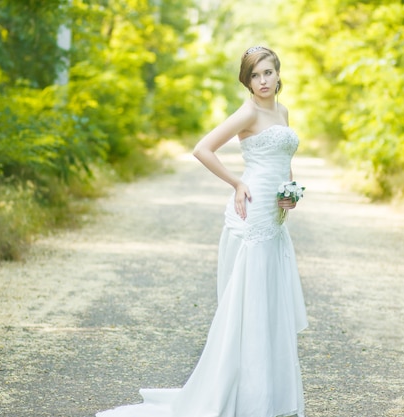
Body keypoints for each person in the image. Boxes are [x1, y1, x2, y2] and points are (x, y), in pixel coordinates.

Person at [96, 45, 308, 417]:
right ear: (247, 79)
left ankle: (268, 395)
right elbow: (203, 149)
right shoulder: (248, 112)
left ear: (278, 74)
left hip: (275, 216)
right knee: (250, 304)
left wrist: (289, 192)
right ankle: (247, 398)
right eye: (255, 75)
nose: (263, 81)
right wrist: (237, 184)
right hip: (252, 213)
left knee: (270, 303)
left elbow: (282, 161)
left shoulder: (282, 111)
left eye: (268, 73)